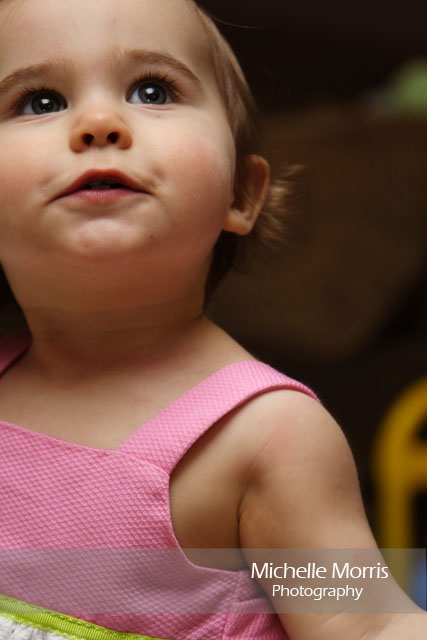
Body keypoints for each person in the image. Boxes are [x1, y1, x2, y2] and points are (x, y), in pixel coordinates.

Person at [0, 0, 425, 639]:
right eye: (40, 101)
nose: (98, 123)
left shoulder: (268, 437)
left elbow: (367, 624)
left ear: (240, 193)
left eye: (152, 90)